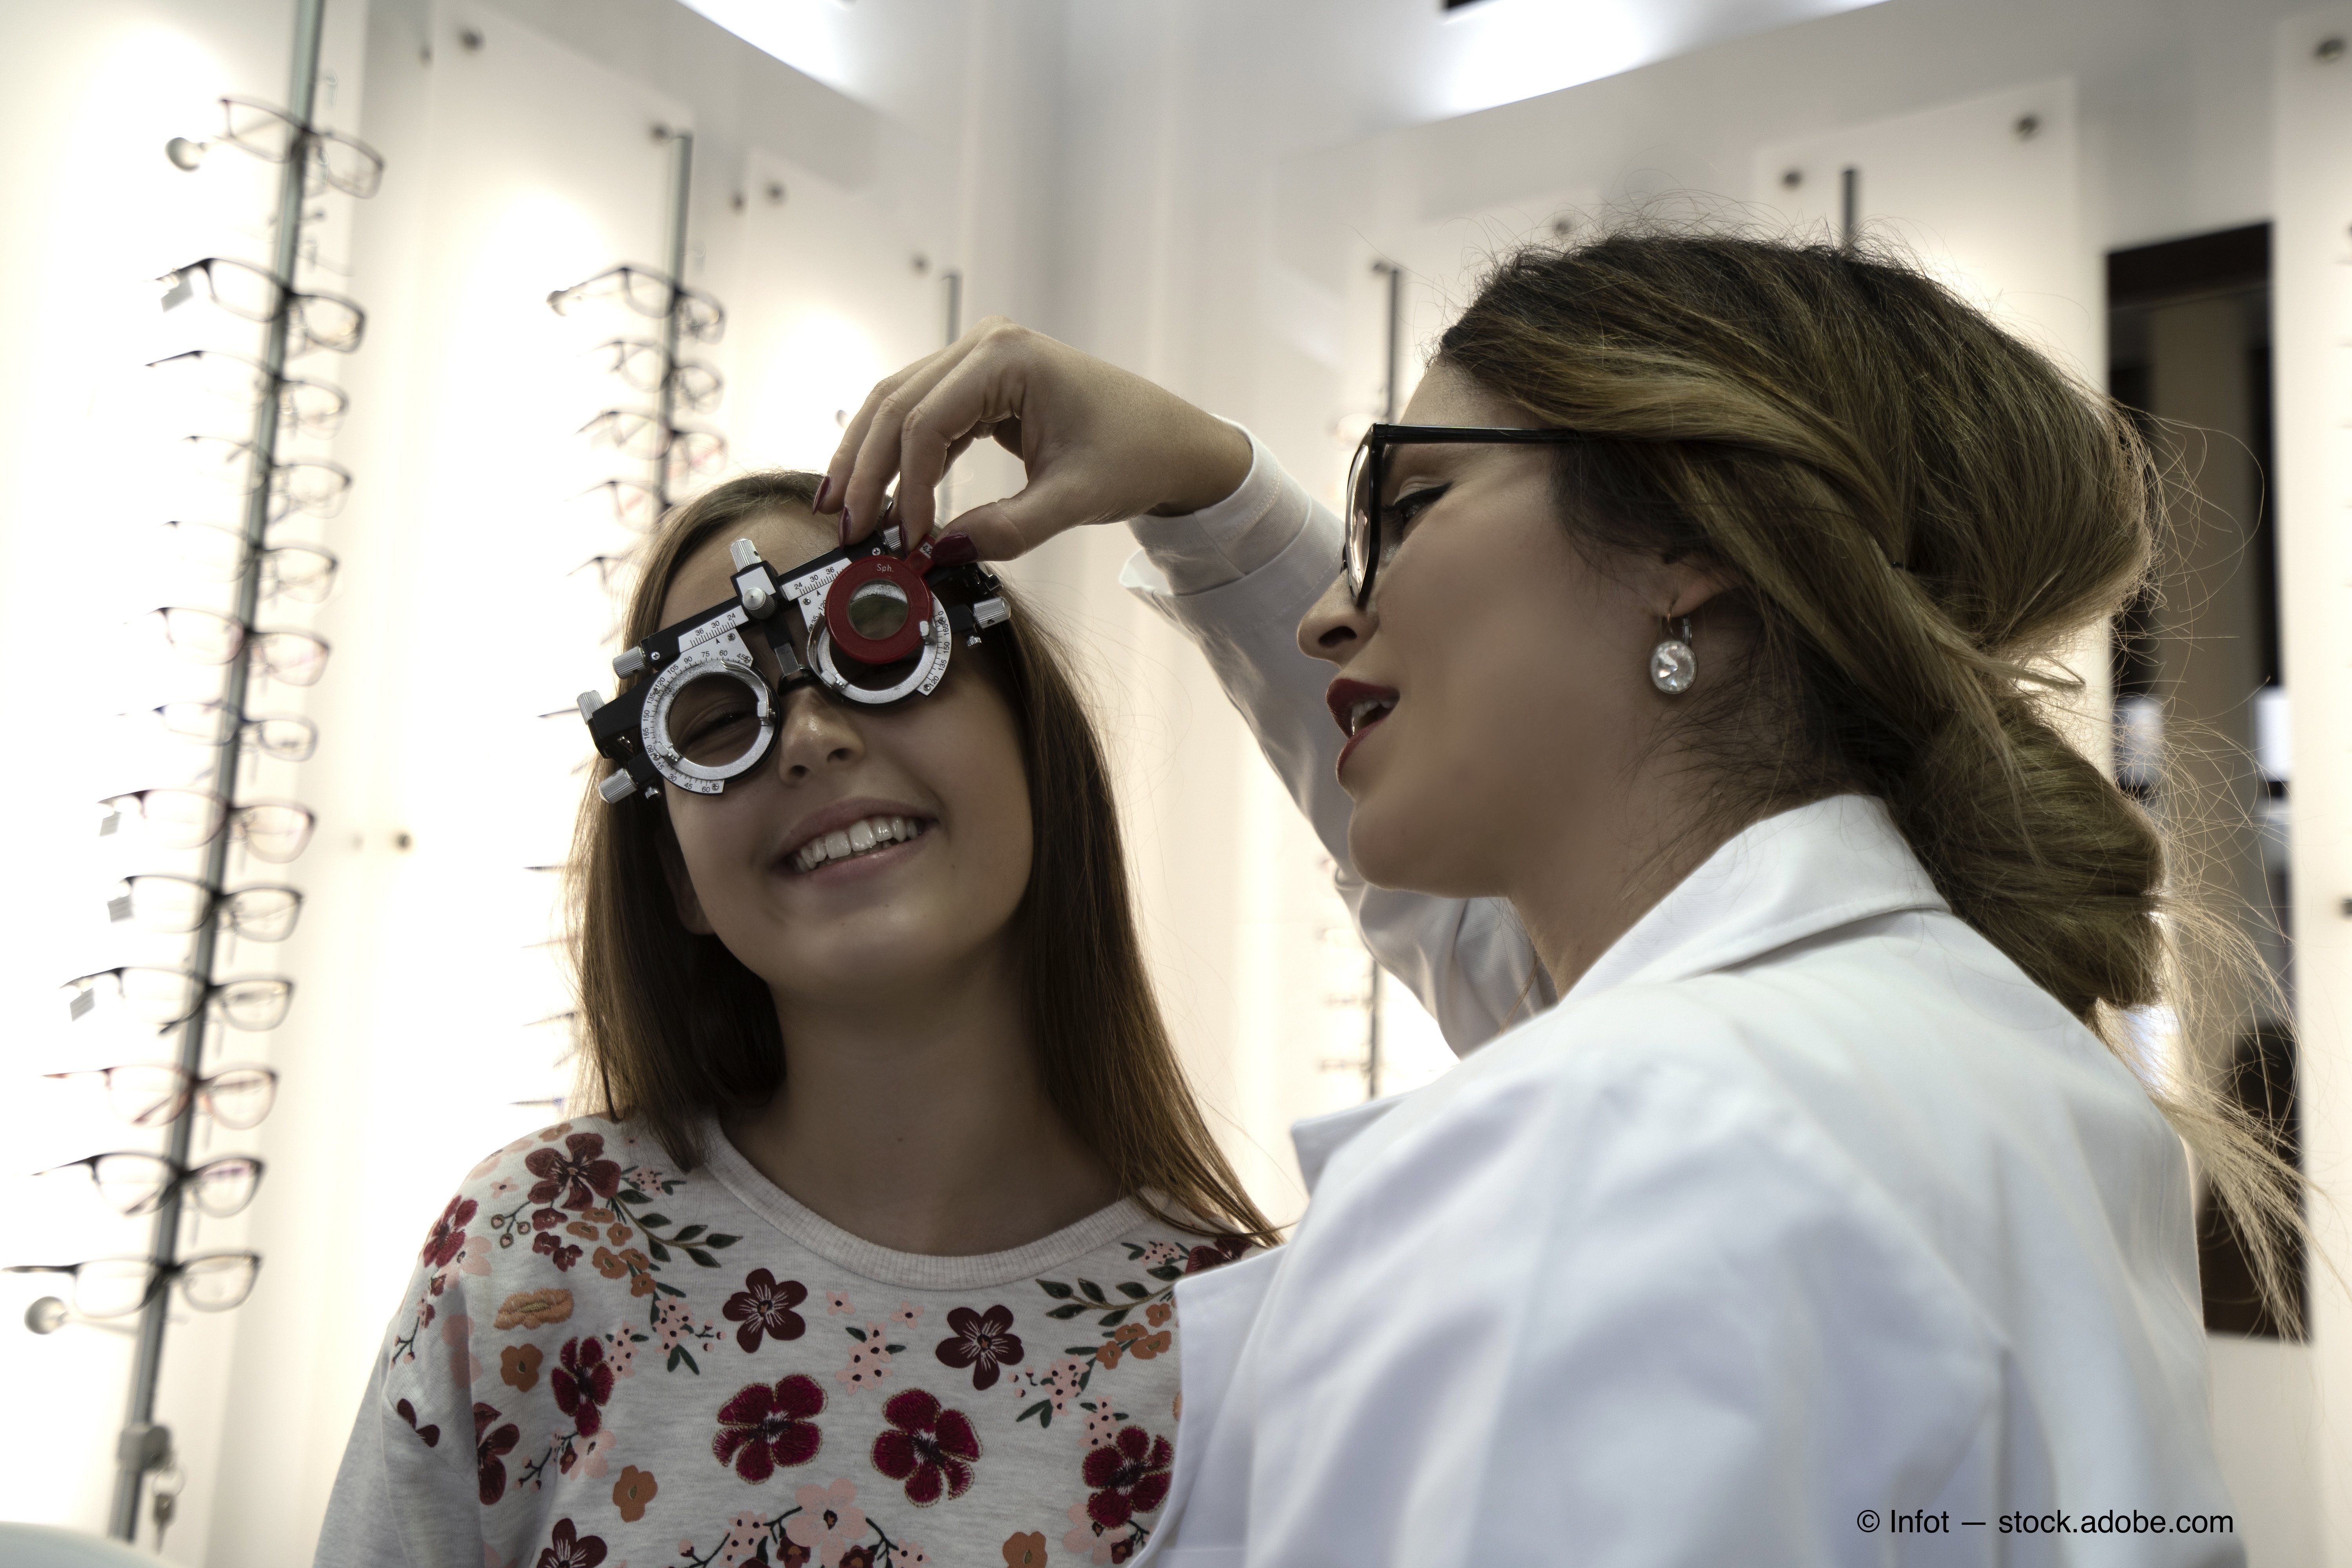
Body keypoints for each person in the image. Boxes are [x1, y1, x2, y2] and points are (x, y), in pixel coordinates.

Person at [817, 227, 2298, 1564]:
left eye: (1413, 505)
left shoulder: (1616, 1141)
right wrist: (1214, 499)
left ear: (1686, 554)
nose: (1331, 614)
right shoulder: (2004, 1071)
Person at [316, 471, 1270, 1568]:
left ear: (1032, 747)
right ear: (680, 878)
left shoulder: (1249, 1353)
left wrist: (1216, 481)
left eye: (880, 644)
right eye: (719, 719)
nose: (809, 736)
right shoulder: (536, 1254)